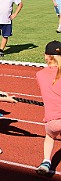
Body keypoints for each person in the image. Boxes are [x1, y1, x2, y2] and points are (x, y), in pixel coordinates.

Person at [36, 40, 61, 175]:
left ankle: (46, 162)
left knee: (50, 137)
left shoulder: (39, 74)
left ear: (46, 56)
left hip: (52, 121)